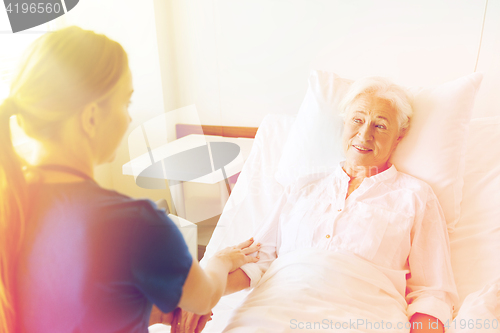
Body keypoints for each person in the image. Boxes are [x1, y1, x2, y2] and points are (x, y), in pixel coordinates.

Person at [0, 26, 260, 333]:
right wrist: (221, 260)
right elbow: (204, 299)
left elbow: (60, 302)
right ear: (91, 117)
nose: (128, 118)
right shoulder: (134, 223)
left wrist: (146, 311)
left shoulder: (11, 205)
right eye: (126, 103)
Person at [177, 77, 458, 333]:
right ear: (344, 125)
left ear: (399, 136)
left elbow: (432, 292)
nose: (364, 134)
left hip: (365, 317)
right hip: (273, 311)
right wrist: (203, 296)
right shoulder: (302, 186)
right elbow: (255, 259)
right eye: (357, 120)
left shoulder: (416, 196)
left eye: (380, 125)